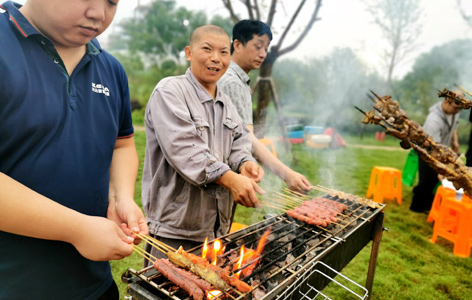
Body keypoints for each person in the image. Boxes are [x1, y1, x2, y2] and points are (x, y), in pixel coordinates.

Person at [0, 1, 149, 299]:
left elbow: (122, 143)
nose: (98, 13)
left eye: (111, 2)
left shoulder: (111, 69)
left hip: (93, 285)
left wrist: (120, 196)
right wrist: (77, 229)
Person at [142, 25, 265, 263]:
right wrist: (230, 179)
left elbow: (240, 139)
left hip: (216, 228)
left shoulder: (226, 102)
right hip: (174, 229)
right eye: (207, 49)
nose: (215, 59)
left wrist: (244, 163)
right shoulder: (170, 91)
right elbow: (185, 150)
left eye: (223, 52)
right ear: (189, 52)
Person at [218, 20, 312, 193]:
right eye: (258, 46)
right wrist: (287, 174)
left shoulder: (233, 78)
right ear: (237, 45)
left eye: (266, 48)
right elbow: (247, 139)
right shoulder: (232, 83)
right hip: (222, 179)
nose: (263, 54)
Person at [410, 92, 464, 213]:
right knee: (426, 180)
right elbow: (433, 148)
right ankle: (417, 207)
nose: (458, 111)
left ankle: (429, 203)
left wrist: (455, 141)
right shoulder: (433, 120)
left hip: (440, 149)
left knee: (434, 179)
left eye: (460, 108)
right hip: (428, 151)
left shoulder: (453, 111)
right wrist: (441, 167)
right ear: (446, 102)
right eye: (456, 108)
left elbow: (454, 125)